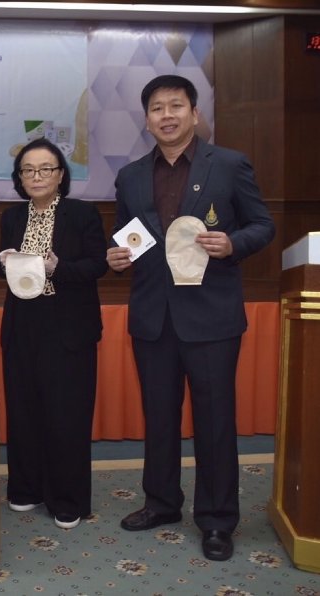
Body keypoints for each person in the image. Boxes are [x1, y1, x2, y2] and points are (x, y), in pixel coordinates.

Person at [106, 74, 275, 561]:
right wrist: (117, 256)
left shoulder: (229, 165)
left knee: (215, 420)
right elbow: (127, 236)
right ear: (146, 119)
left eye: (176, 105)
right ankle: (161, 503)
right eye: (157, 108)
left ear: (195, 113)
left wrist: (232, 243)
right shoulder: (131, 176)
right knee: (159, 416)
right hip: (153, 316)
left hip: (211, 317)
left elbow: (263, 225)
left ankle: (217, 519)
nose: (167, 115)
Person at [0, 138, 107, 529]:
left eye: (45, 169)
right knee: (24, 409)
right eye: (28, 170)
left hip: (68, 326)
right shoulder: (11, 217)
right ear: (19, 177)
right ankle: (26, 488)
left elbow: (97, 265)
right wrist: (2, 262)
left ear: (60, 175)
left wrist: (59, 267)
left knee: (66, 414)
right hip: (23, 323)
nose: (36, 176)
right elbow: (2, 268)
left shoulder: (82, 214)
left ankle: (67, 498)